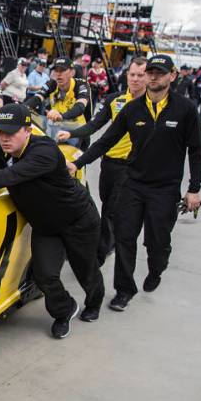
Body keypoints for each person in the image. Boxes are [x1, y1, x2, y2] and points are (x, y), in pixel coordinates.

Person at [0, 103, 104, 338]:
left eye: (11, 133)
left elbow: (9, 176)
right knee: (45, 275)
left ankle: (94, 303)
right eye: (0, 132)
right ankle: (65, 310)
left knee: (86, 269)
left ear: (27, 131)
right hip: (45, 225)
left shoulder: (44, 151)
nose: (4, 138)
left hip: (77, 220)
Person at [68, 55, 201, 312]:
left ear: (171, 76)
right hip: (133, 183)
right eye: (150, 72)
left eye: (159, 73)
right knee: (124, 238)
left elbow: (196, 151)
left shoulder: (185, 109)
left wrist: (194, 189)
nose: (153, 77)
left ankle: (157, 268)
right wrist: (79, 162)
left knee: (157, 243)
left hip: (165, 189)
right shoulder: (132, 109)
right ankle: (124, 290)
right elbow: (106, 140)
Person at [57, 57, 148, 264]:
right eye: (132, 74)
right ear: (126, 76)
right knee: (106, 204)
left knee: (111, 211)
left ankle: (98, 255)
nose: (135, 79)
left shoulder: (151, 105)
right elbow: (94, 125)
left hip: (131, 167)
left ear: (148, 77)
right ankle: (110, 242)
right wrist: (71, 133)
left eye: (140, 75)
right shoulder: (115, 100)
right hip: (109, 162)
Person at [24, 58, 90, 129]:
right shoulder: (51, 83)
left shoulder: (81, 84)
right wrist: (22, 108)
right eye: (56, 70)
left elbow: (80, 107)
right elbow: (37, 98)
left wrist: (61, 116)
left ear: (72, 72)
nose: (58, 74)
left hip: (77, 130)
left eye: (62, 70)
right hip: (56, 128)